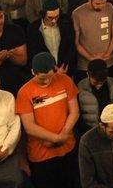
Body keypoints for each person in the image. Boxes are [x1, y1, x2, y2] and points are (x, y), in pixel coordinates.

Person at [16, 52, 80, 187]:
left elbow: (74, 111)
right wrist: (55, 138)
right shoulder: (25, 92)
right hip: (41, 155)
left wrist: (64, 134)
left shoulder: (65, 80)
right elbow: (29, 127)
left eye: (49, 77)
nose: (46, 81)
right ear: (33, 72)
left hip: (67, 148)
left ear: (55, 69)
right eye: (41, 78)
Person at [72, 0, 113, 70]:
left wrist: (108, 54)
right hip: (86, 65)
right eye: (97, 4)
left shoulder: (109, 8)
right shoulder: (77, 13)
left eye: (104, 3)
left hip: (108, 62)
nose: (101, 6)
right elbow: (76, 43)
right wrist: (91, 58)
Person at [78, 58, 113, 129]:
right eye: (95, 82)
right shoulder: (81, 87)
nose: (99, 85)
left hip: (111, 127)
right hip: (89, 128)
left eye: (102, 82)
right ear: (88, 74)